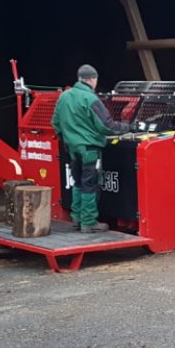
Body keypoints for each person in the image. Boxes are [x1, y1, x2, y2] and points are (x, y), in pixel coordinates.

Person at [51, 65, 130, 233]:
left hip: (72, 149)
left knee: (78, 182)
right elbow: (106, 126)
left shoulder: (64, 97)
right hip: (90, 150)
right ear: (92, 79)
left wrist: (67, 139)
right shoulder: (91, 99)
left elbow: (56, 123)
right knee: (91, 184)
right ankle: (89, 222)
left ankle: (77, 218)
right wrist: (127, 127)